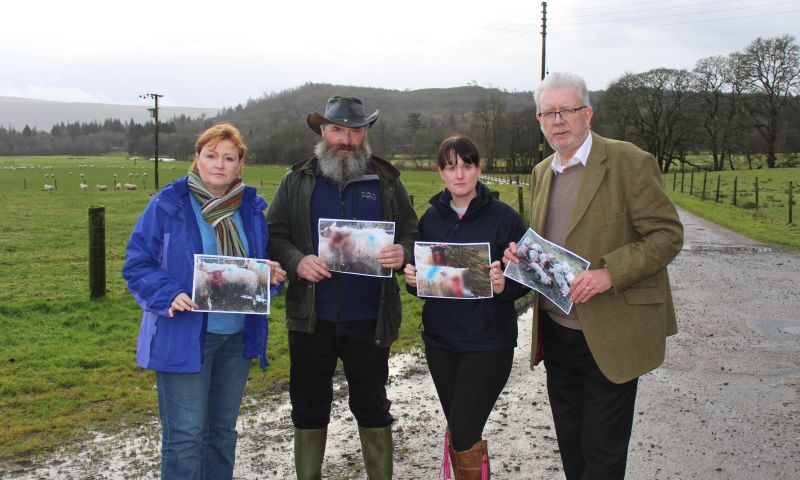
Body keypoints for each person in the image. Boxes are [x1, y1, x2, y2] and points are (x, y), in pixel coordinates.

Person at [504, 72, 684, 479]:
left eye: (567, 109)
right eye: (548, 112)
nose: (558, 119)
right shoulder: (542, 172)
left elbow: (668, 236)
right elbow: (550, 245)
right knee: (572, 447)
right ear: (539, 119)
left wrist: (609, 274)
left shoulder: (629, 161)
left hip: (612, 332)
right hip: (557, 333)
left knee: (602, 455)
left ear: (588, 113)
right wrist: (523, 257)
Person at [122, 123, 286, 479]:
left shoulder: (252, 209)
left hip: (237, 336)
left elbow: (254, 265)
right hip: (185, 334)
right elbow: (137, 263)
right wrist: (169, 293)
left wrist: (269, 276)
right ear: (196, 159)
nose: (219, 164)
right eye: (211, 155)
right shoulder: (169, 205)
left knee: (221, 434)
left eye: (229, 157)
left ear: (240, 164)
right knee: (186, 436)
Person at [266, 96, 417, 479]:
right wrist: (297, 261)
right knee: (308, 407)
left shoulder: (386, 181)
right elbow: (275, 234)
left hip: (369, 319)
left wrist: (404, 252)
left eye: (355, 130)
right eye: (337, 129)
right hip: (311, 318)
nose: (346, 138)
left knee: (372, 406)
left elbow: (413, 232)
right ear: (323, 131)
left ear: (365, 133)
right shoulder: (296, 180)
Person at [404, 136, 528, 479]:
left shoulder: (505, 218)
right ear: (440, 172)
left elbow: (527, 275)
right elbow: (426, 284)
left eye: (467, 165)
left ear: (479, 168)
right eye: (451, 167)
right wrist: (413, 280)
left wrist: (506, 284)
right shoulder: (429, 219)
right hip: (441, 344)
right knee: (461, 430)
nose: (459, 174)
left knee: (463, 427)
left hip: (489, 344)